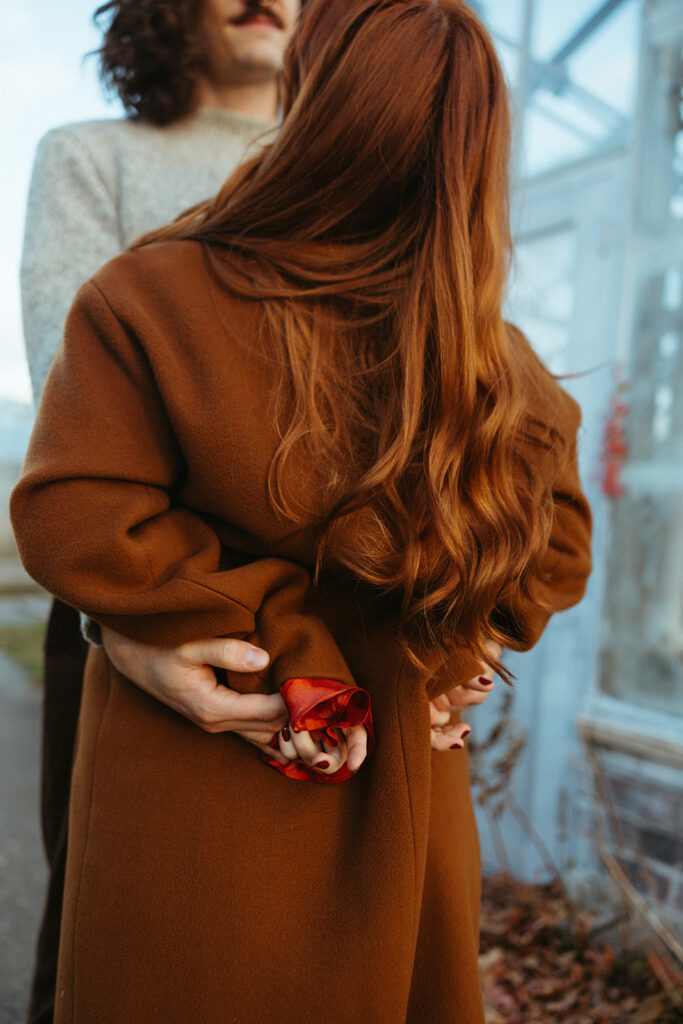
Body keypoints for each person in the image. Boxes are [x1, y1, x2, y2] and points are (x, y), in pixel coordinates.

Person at [12, 0, 592, 1020]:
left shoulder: (148, 293)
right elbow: (556, 543)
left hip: (203, 748)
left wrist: (261, 627)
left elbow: (77, 499)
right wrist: (460, 627)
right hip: (398, 770)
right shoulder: (492, 356)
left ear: (309, 100)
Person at [20, 2, 300, 1020]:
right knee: (109, 933)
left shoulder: (361, 164)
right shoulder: (92, 154)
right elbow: (75, 393)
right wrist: (123, 613)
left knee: (306, 944)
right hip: (128, 588)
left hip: (337, 606)